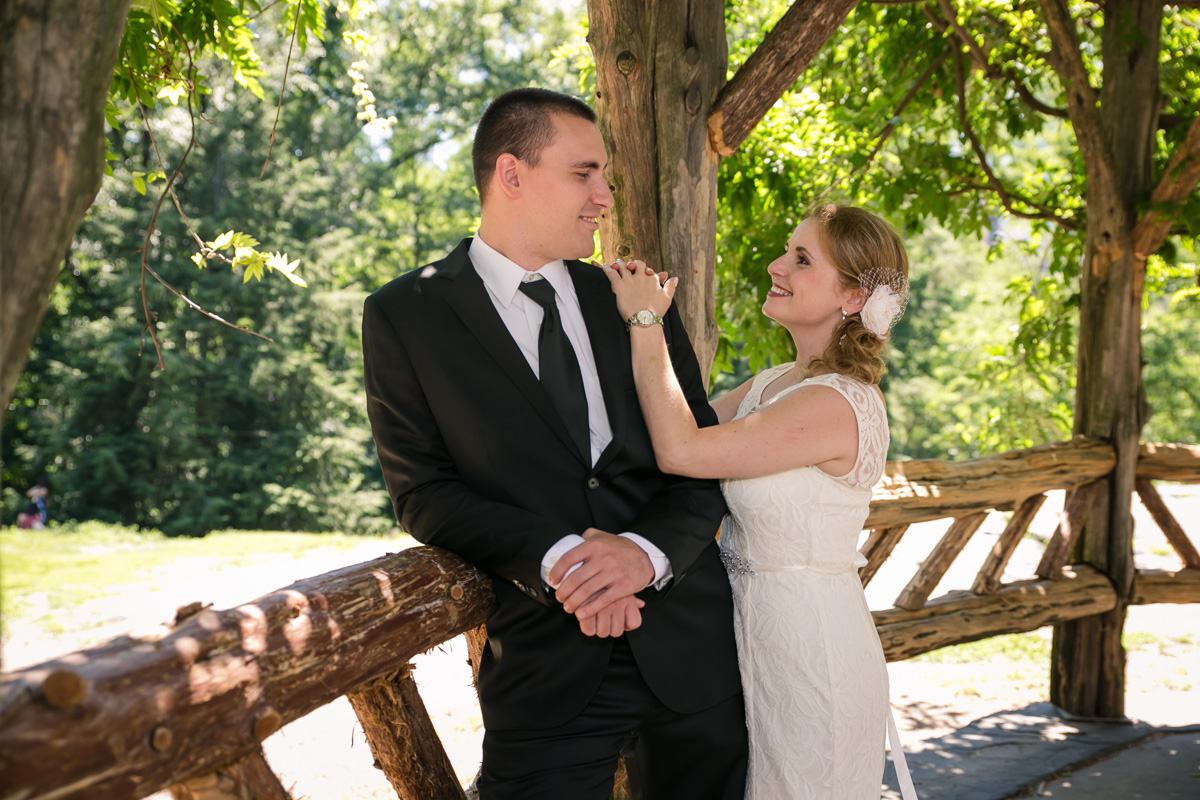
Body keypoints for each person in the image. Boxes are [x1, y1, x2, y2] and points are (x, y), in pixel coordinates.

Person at [361, 88, 747, 800]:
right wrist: (562, 559)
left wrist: (643, 555)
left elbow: (701, 463)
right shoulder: (403, 315)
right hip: (547, 671)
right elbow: (423, 493)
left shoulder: (637, 301)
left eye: (604, 178)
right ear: (511, 175)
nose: (603, 196)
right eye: (583, 173)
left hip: (695, 661)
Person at [597, 203, 918, 799]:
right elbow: (661, 434)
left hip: (809, 646)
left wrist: (645, 319)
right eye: (786, 250)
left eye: (801, 259)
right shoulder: (772, 384)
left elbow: (682, 451)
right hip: (743, 634)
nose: (777, 265)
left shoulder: (837, 402)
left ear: (853, 297)